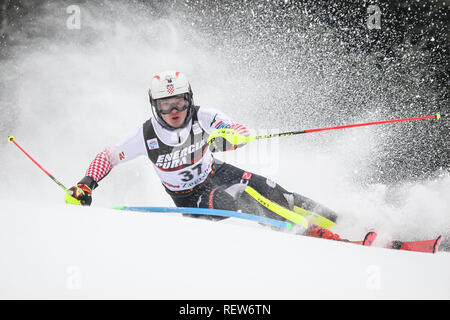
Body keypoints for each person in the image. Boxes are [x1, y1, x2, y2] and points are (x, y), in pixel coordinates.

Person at [65, 70, 342, 241]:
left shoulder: (202, 116)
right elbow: (109, 156)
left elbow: (237, 129)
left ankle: (341, 222)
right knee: (241, 196)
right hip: (191, 198)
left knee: (277, 194)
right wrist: (86, 183)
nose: (174, 111)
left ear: (189, 98)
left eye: (180, 102)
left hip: (217, 172)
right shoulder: (146, 135)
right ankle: (314, 236)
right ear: (154, 106)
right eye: (165, 105)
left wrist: (231, 137)